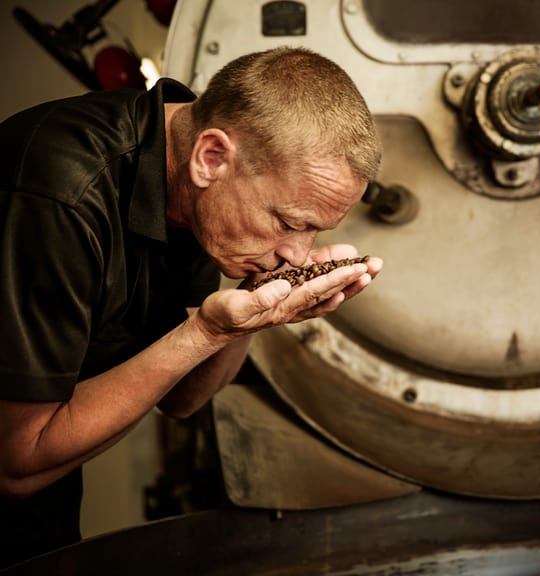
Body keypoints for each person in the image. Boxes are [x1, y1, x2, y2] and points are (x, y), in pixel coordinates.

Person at [0, 46, 382, 568]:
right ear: (211, 157)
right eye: (290, 223)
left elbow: (181, 399)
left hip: (45, 511)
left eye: (315, 231)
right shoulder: (60, 192)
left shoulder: (197, 201)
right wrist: (204, 334)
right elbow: (16, 464)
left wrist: (258, 308)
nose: (297, 252)